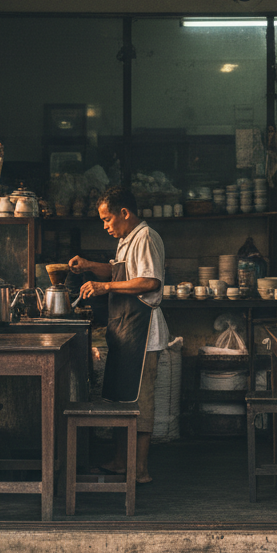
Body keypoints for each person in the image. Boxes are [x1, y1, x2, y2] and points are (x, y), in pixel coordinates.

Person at [69, 186, 168, 485]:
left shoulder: (146, 237)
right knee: (121, 400)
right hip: (127, 331)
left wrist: (104, 288)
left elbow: (150, 281)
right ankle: (120, 461)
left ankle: (139, 470)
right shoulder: (127, 240)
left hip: (144, 332)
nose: (105, 225)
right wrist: (89, 267)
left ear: (124, 213)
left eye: (107, 219)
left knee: (141, 403)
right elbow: (119, 272)